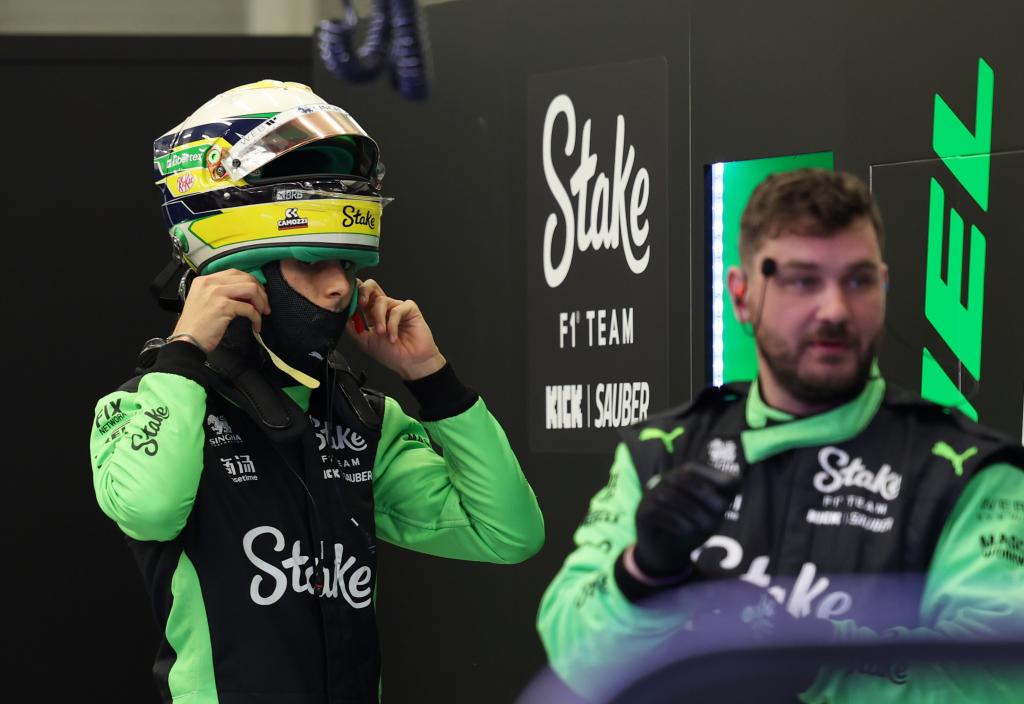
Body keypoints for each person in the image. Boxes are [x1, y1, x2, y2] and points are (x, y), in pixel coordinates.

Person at [89, 80, 544, 704]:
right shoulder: (149, 404)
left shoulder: (361, 417)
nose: (339, 290)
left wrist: (432, 380)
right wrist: (183, 354)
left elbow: (508, 533)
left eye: (348, 266)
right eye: (310, 262)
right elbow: (149, 509)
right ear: (231, 275)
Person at [536, 168, 1024, 702]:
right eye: (802, 279)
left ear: (883, 288)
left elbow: (997, 679)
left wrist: (810, 658)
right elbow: (572, 650)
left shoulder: (968, 471)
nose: (835, 309)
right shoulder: (662, 450)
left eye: (858, 280)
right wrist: (641, 574)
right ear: (742, 296)